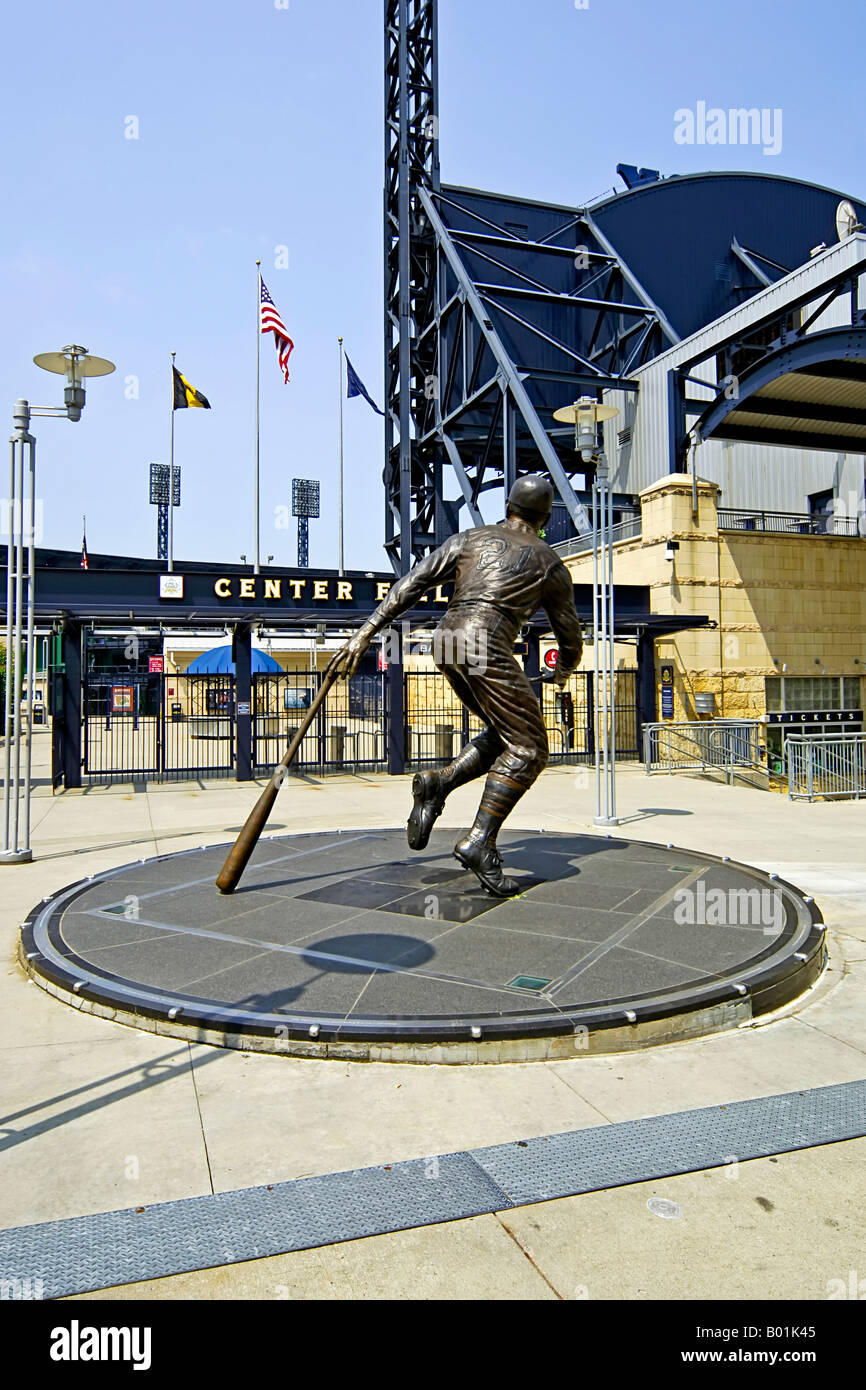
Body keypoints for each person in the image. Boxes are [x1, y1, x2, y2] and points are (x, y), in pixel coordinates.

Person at [332, 475, 584, 896]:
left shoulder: (469, 538)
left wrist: (367, 630)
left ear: (508, 506)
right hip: (486, 642)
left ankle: (438, 784)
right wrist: (562, 671)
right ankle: (478, 841)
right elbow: (569, 637)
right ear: (544, 516)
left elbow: (412, 581)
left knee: (507, 737)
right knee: (530, 748)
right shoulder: (549, 563)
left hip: (447, 640)